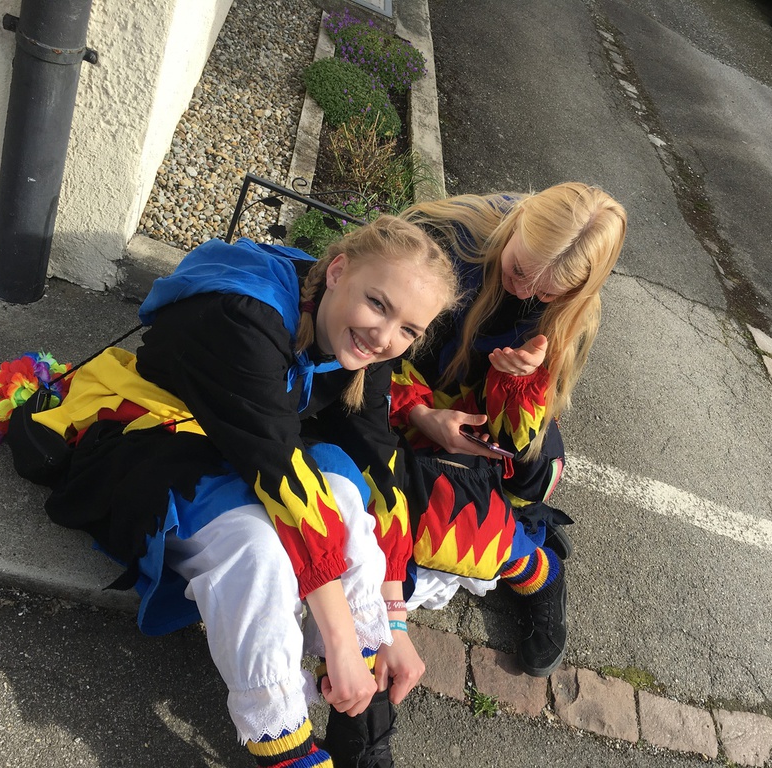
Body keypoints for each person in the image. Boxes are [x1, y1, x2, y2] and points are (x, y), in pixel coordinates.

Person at [24, 216, 459, 768]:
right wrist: (342, 640)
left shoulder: (365, 342)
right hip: (156, 441)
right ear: (338, 272)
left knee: (349, 498)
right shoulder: (243, 318)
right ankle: (287, 750)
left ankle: (360, 713)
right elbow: (280, 476)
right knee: (259, 554)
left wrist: (392, 622)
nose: (384, 336)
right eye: (378, 304)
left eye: (408, 330)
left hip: (245, 448)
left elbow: (379, 462)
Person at [390, 182, 627, 677]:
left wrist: (519, 383)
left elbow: (527, 433)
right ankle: (534, 566)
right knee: (428, 507)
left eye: (546, 293)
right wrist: (420, 415)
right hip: (398, 387)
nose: (523, 292)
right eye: (518, 269)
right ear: (517, 222)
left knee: (535, 467)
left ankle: (525, 543)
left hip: (474, 412)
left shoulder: (574, 314)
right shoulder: (444, 237)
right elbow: (367, 343)